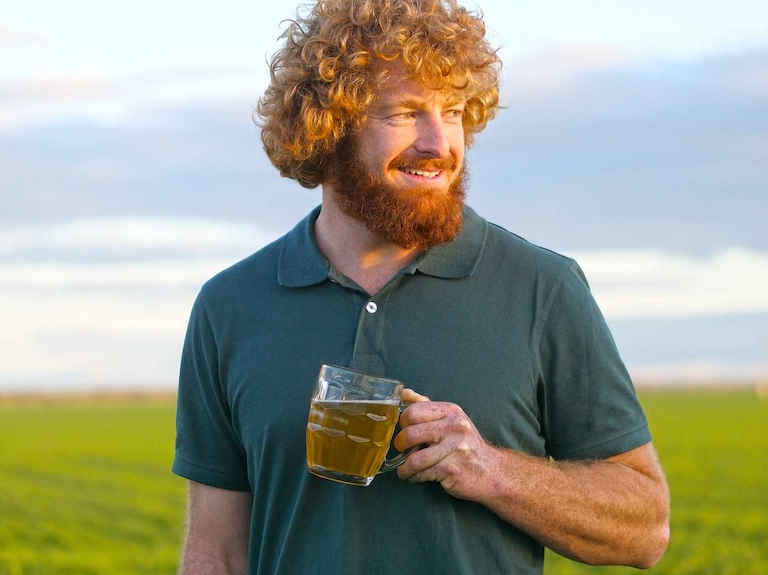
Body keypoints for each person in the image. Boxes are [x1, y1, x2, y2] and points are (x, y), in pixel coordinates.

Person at [172, 0, 670, 573]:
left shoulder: (543, 288)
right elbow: (217, 553)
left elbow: (644, 530)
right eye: (405, 112)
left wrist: (494, 471)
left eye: (454, 111)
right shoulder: (231, 306)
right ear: (328, 127)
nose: (441, 144)